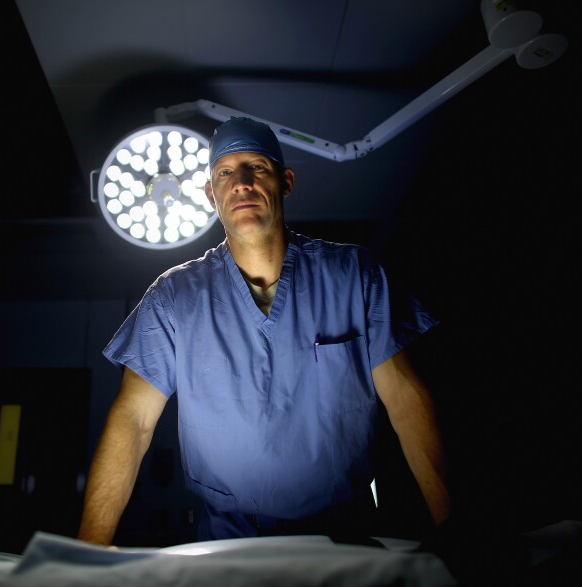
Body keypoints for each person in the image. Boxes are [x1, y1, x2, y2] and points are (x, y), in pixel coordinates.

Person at [77, 117, 450, 546]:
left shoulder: (354, 276)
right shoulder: (174, 298)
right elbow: (133, 421)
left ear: (285, 181)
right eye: (224, 173)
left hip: (344, 534)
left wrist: (453, 527)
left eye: (256, 167)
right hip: (232, 537)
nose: (240, 182)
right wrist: (90, 550)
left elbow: (406, 399)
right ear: (210, 194)